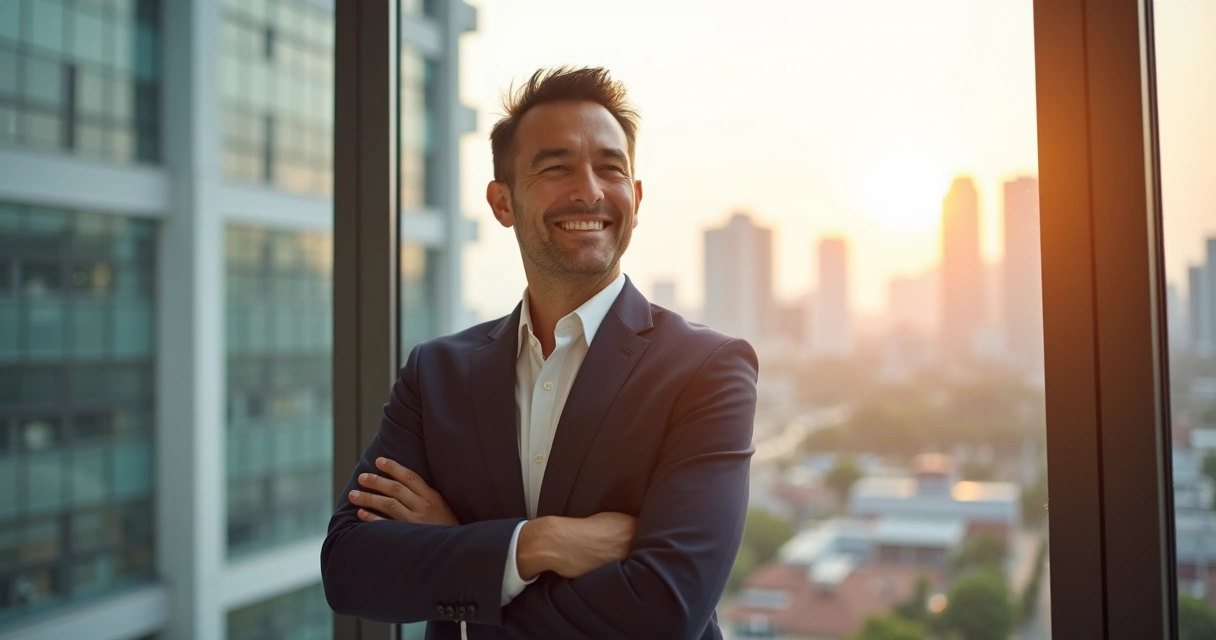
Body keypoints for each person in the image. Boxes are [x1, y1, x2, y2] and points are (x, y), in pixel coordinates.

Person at [321, 66, 759, 640]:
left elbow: (665, 610)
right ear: (502, 202)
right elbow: (351, 571)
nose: (590, 190)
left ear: (637, 196)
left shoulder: (707, 370)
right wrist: (536, 544)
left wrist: (464, 559)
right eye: (556, 168)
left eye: (611, 168)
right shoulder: (437, 374)